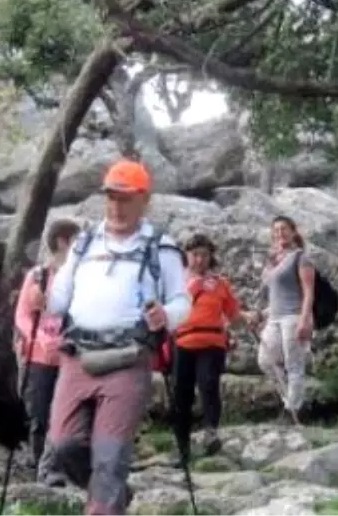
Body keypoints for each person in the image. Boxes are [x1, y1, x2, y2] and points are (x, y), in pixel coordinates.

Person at [45, 159, 191, 515]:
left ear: (145, 200)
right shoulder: (84, 243)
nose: (116, 206)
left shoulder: (161, 246)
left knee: (109, 457)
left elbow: (182, 301)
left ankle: (106, 500)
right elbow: (60, 298)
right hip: (78, 355)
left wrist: (165, 315)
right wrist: (41, 292)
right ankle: (114, 496)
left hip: (128, 359)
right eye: (111, 197)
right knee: (63, 446)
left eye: (125, 198)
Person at [13, 218, 81, 487]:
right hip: (39, 358)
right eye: (77, 240)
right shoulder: (37, 276)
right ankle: (43, 470)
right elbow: (22, 315)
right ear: (63, 241)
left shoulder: (80, 279)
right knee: (40, 415)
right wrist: (39, 338)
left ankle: (59, 469)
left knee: (66, 415)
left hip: (69, 358)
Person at [172, 234, 242, 462]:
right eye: (195, 255)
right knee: (181, 395)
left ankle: (211, 430)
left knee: (208, 383)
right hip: (182, 342)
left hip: (212, 342)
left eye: (204, 255)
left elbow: (232, 313)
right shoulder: (176, 282)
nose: (200, 260)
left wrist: (244, 322)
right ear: (187, 257)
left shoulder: (220, 284)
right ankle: (182, 447)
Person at [252, 215, 315, 425]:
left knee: (293, 363)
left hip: (294, 315)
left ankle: (292, 410)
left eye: (284, 229)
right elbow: (272, 294)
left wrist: (305, 319)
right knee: (265, 360)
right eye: (276, 230)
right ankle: (291, 400)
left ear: (293, 231)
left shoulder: (300, 258)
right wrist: (261, 313)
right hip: (275, 317)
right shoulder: (273, 261)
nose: (280, 233)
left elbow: (308, 292)